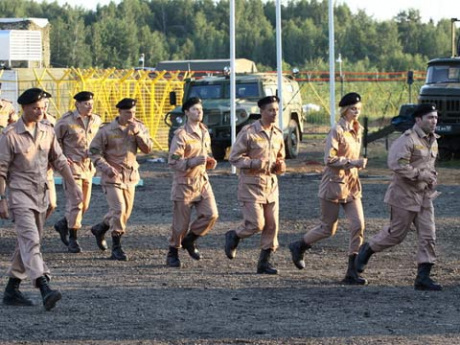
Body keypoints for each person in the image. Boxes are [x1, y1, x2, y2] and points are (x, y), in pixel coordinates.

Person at [0, 88, 83, 310]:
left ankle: (12, 289)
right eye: (36, 107)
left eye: (43, 107)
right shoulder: (10, 135)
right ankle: (44, 286)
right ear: (24, 108)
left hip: (41, 194)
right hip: (19, 195)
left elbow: (60, 160)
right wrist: (2, 199)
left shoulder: (47, 130)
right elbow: (1, 170)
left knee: (28, 241)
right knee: (31, 240)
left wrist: (73, 187)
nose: (40, 111)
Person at [356, 103, 442, 291]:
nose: (434, 121)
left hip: (425, 196)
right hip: (404, 195)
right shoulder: (407, 139)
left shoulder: (433, 140)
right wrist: (421, 175)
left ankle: (423, 278)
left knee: (428, 235)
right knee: (396, 234)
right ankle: (368, 248)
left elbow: (428, 164)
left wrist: (431, 177)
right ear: (418, 120)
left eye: (435, 117)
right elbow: (396, 164)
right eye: (430, 117)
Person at [289, 92, 368, 285]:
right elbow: (329, 159)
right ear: (345, 110)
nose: (356, 112)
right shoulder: (337, 131)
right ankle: (299, 245)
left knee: (358, 225)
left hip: (352, 184)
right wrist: (353, 162)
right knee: (327, 228)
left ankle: (352, 272)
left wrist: (355, 166)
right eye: (352, 109)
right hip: (334, 183)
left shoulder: (359, 129)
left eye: (358, 108)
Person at [224, 95, 286, 275]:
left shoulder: (278, 134)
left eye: (276, 110)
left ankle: (264, 262)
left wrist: (280, 165)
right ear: (262, 112)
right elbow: (234, 158)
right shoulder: (249, 132)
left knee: (272, 225)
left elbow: (280, 156)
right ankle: (234, 235)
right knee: (255, 224)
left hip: (271, 186)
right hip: (251, 185)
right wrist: (254, 163)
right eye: (270, 110)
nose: (274, 114)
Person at [89, 98, 153, 261]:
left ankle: (100, 227)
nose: (131, 116)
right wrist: (105, 168)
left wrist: (137, 133)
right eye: (127, 113)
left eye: (133, 112)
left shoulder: (139, 127)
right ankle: (116, 247)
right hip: (112, 176)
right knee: (118, 209)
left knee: (125, 213)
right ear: (120, 112)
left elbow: (147, 149)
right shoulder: (107, 130)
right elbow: (94, 152)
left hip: (130, 176)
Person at [166, 97, 219, 268]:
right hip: (184, 184)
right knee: (180, 225)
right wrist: (192, 161)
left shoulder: (204, 131)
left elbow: (205, 154)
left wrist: (209, 162)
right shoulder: (181, 135)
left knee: (212, 214)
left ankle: (190, 240)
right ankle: (173, 252)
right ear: (187, 112)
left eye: (200, 109)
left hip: (202, 182)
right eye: (195, 109)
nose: (199, 112)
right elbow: (173, 162)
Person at [53, 91, 102, 253]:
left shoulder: (96, 120)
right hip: (72, 167)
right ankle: (73, 238)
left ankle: (63, 223)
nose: (90, 106)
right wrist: (61, 157)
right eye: (86, 103)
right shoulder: (66, 121)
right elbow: (54, 142)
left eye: (91, 103)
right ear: (77, 105)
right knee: (76, 202)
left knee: (84, 205)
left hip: (88, 167)